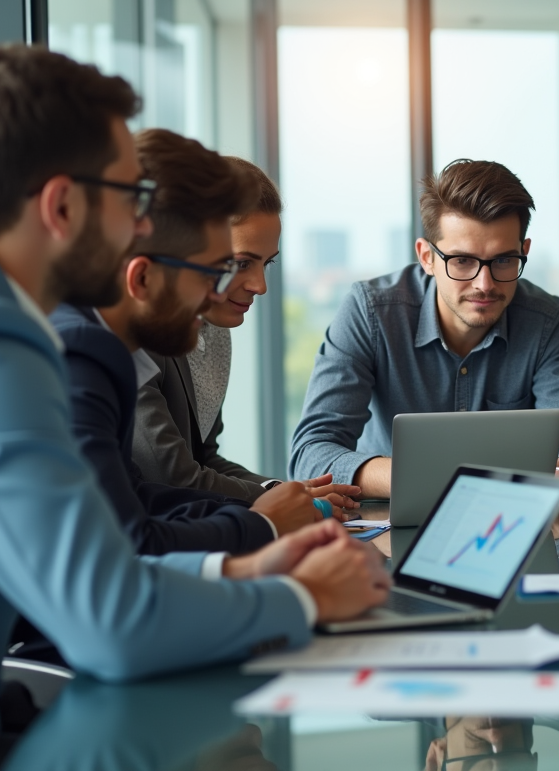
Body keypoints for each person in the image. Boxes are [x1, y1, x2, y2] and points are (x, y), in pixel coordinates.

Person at [0, 46, 389, 771]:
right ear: (62, 207)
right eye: (131, 198)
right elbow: (110, 623)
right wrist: (304, 598)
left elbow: (87, 571)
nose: (142, 226)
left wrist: (243, 571)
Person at [51, 129, 353, 557]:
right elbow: (135, 530)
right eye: (222, 269)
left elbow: (143, 498)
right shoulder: (84, 352)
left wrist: (275, 507)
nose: (226, 291)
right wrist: (265, 523)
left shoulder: (115, 342)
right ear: (141, 275)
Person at [289, 159, 559, 503]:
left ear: (524, 252)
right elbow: (311, 455)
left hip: (509, 518)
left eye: (503, 260)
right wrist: (432, 479)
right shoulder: (370, 313)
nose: (484, 284)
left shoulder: (547, 321)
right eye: (462, 261)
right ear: (427, 257)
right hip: (385, 525)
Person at [131, 157, 299, 502]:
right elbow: (171, 477)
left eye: (267, 263)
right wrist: (272, 502)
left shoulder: (215, 332)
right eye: (241, 263)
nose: (260, 286)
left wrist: (281, 491)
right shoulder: (134, 333)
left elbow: (203, 456)